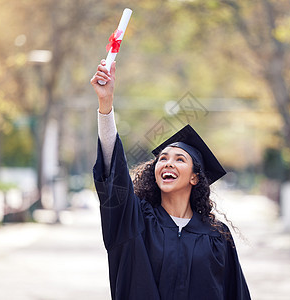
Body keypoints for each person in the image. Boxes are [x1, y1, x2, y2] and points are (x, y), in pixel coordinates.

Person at [90, 59, 251, 300]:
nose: (167, 163)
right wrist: (106, 105)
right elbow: (115, 176)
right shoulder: (137, 222)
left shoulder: (216, 237)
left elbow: (234, 293)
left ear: (195, 177)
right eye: (163, 158)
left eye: (179, 159)